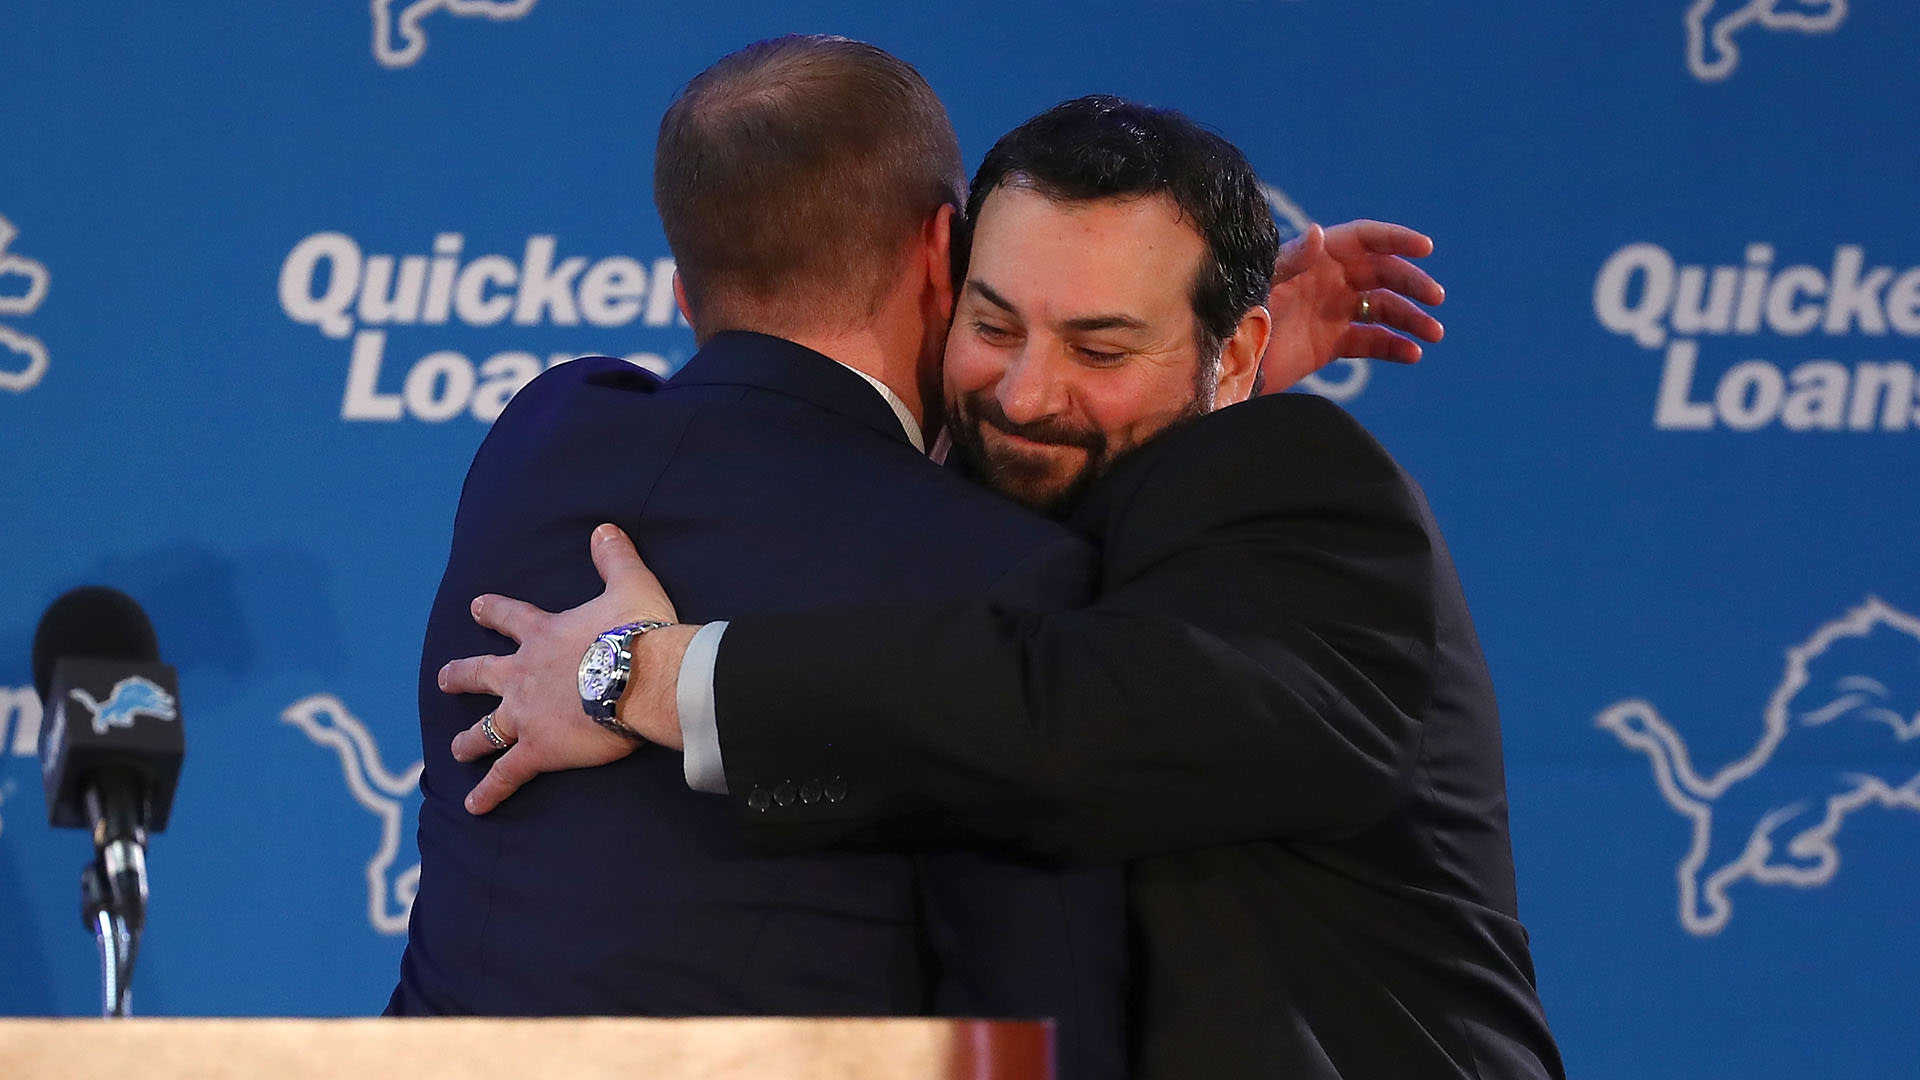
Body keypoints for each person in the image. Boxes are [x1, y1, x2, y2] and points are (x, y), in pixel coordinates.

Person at [441, 95, 1564, 1078]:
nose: (1026, 393)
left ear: (1233, 353)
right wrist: (1179, 366)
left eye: (1101, 346)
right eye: (993, 324)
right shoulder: (1042, 510)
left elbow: (1078, 718)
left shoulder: (1309, 484)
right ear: (942, 279)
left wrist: (647, 674)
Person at [389, 38, 1132, 1079]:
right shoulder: (1002, 575)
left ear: (684, 288)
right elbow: (1041, 1021)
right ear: (943, 253)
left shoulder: (544, 436)